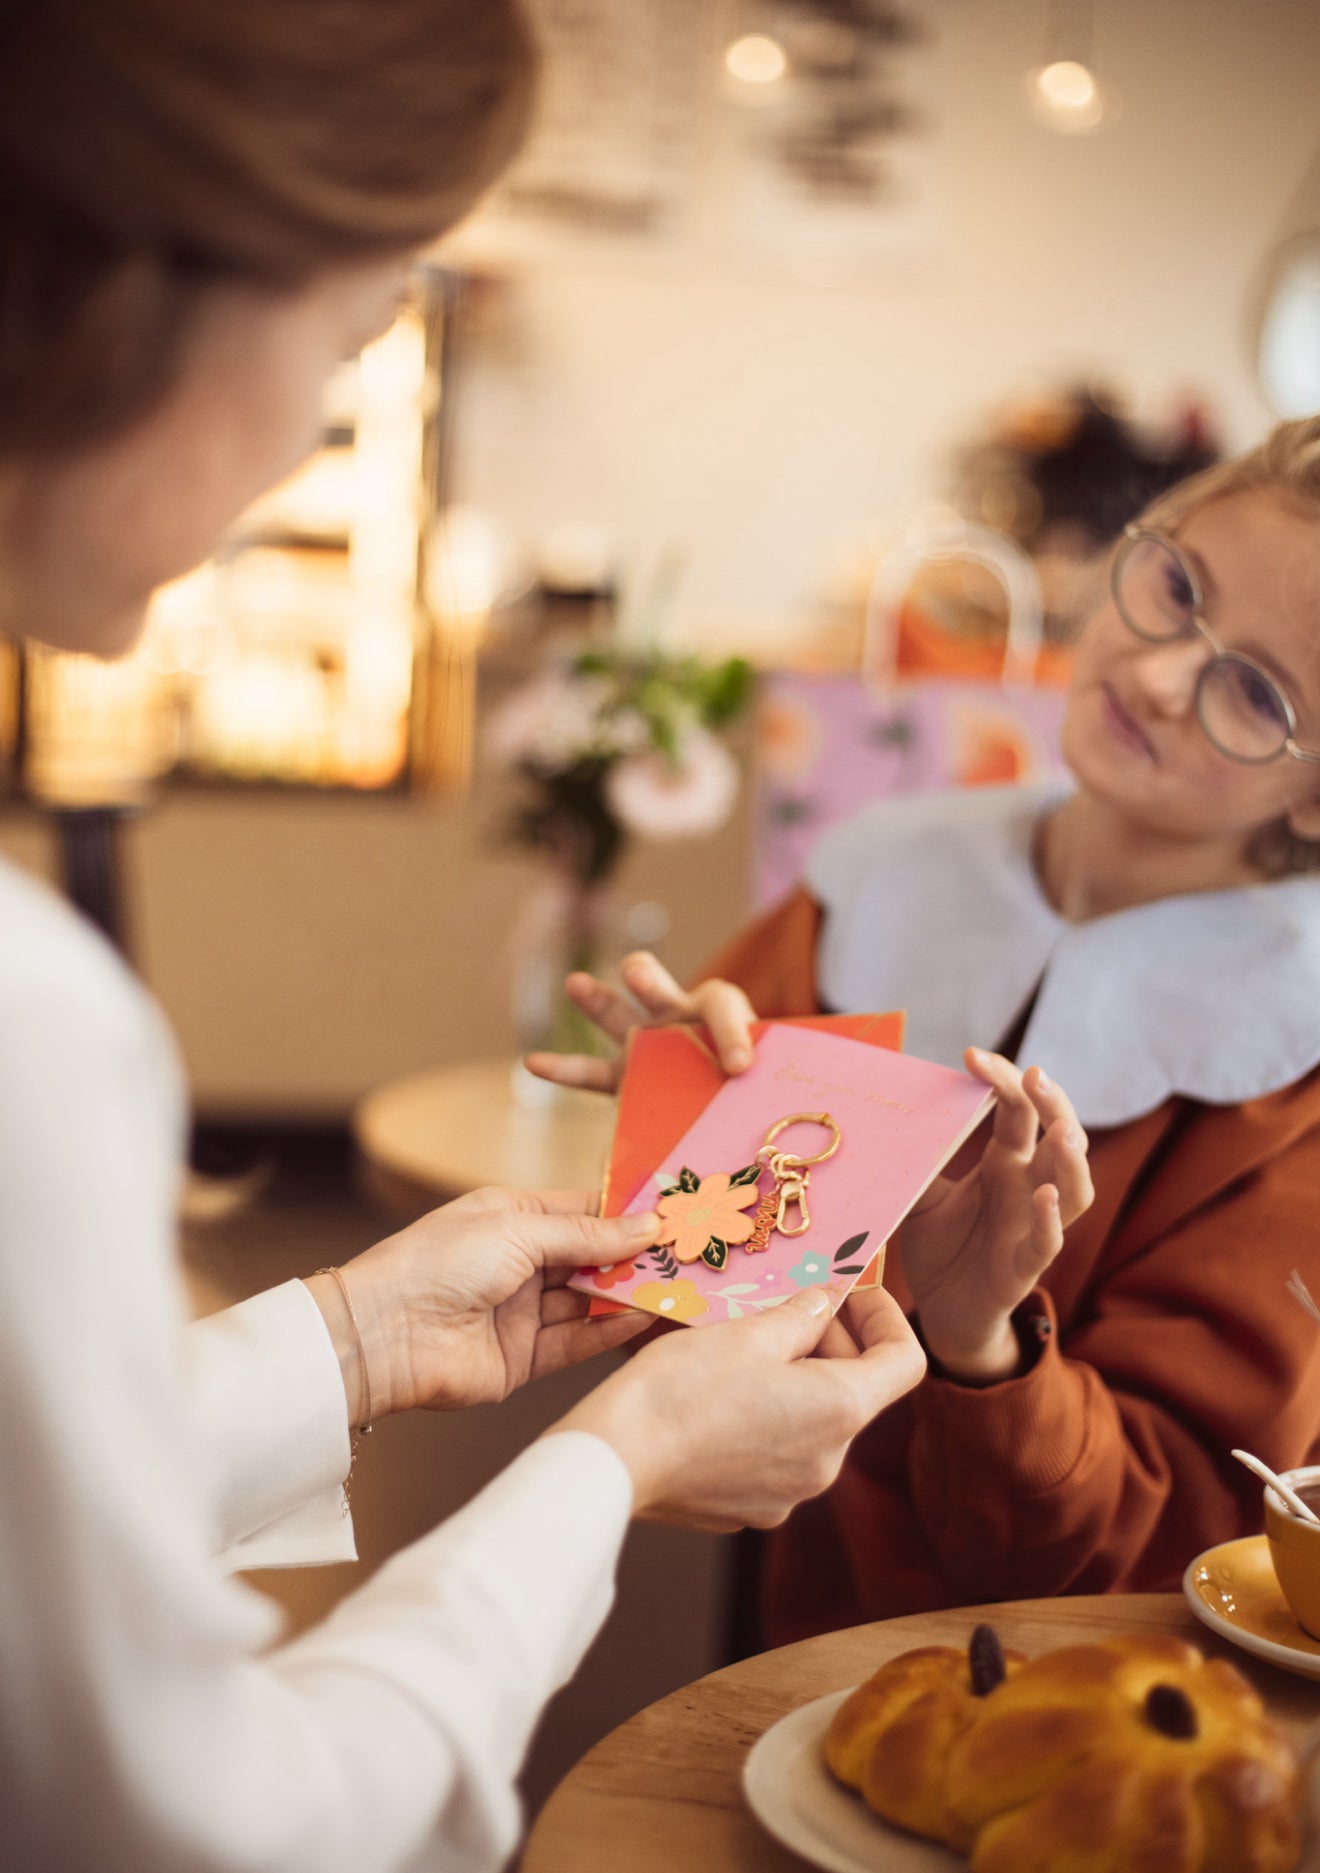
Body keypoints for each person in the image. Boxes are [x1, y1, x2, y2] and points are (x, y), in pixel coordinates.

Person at [0, 5, 948, 1870]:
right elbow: (191, 1826)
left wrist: (352, 1336)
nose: (309, 433)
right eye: (343, 336)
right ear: (136, 299)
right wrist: (619, 1459)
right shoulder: (38, 1018)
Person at [535, 416, 1320, 1648]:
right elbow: (694, 1289)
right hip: (780, 1636)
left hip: (1068, 1704)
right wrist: (689, 1123)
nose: (1164, 676)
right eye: (1179, 589)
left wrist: (979, 1346)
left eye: (1258, 693)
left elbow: (1185, 1536)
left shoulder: (1290, 1085)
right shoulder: (876, 875)